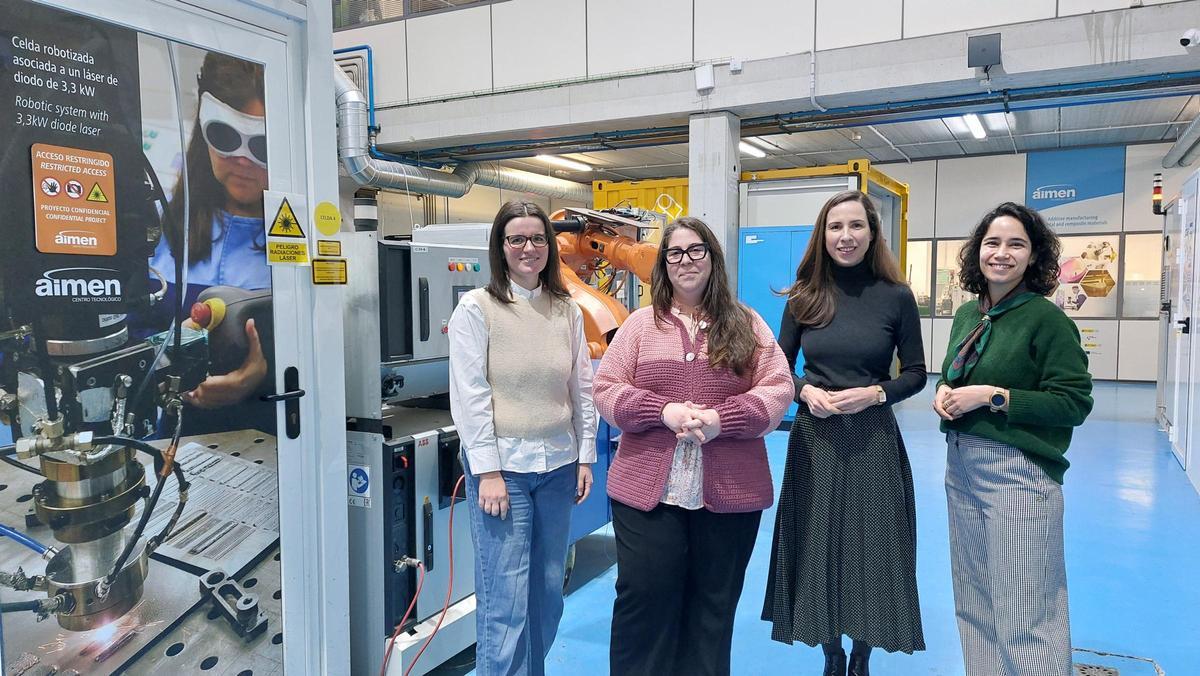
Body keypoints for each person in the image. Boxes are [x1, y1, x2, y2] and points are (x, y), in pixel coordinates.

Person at [594, 216, 794, 676]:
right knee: (644, 602)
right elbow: (606, 388)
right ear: (663, 264)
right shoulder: (641, 326)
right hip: (648, 494)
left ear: (712, 258)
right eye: (675, 252)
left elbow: (778, 388)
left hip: (728, 496)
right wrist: (660, 412)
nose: (685, 260)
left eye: (695, 250)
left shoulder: (746, 323)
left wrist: (725, 419)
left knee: (712, 611)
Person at [762, 190, 927, 676]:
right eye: (836, 227)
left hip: (874, 438)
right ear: (823, 234)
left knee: (871, 547)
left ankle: (861, 654)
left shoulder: (896, 297)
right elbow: (778, 368)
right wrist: (804, 392)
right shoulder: (802, 296)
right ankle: (830, 652)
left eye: (856, 226)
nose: (846, 236)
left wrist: (876, 394)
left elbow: (916, 372)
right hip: (816, 438)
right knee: (817, 544)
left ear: (872, 233)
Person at [933, 203, 1093, 676]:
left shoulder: (1046, 320)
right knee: (975, 605)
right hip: (960, 467)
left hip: (1017, 475)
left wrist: (995, 397)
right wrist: (945, 391)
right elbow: (953, 374)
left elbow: (1073, 402)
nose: (1001, 253)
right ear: (977, 252)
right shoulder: (969, 315)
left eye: (1015, 244)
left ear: (1033, 256)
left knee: (1027, 613)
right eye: (992, 243)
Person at [447, 200, 597, 676]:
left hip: (557, 468)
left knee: (549, 591)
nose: (528, 248)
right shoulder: (477, 308)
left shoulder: (566, 311)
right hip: (504, 474)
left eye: (537, 239)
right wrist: (487, 470)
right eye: (517, 239)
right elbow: (470, 395)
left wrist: (586, 456)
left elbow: (582, 388)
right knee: (504, 600)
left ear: (550, 248)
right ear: (501, 246)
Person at [141, 51, 274, 431]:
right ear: (204, 131)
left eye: (262, 146)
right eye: (225, 136)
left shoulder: (306, 244)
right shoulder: (162, 230)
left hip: (271, 443)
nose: (243, 162)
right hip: (170, 441)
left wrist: (262, 376)